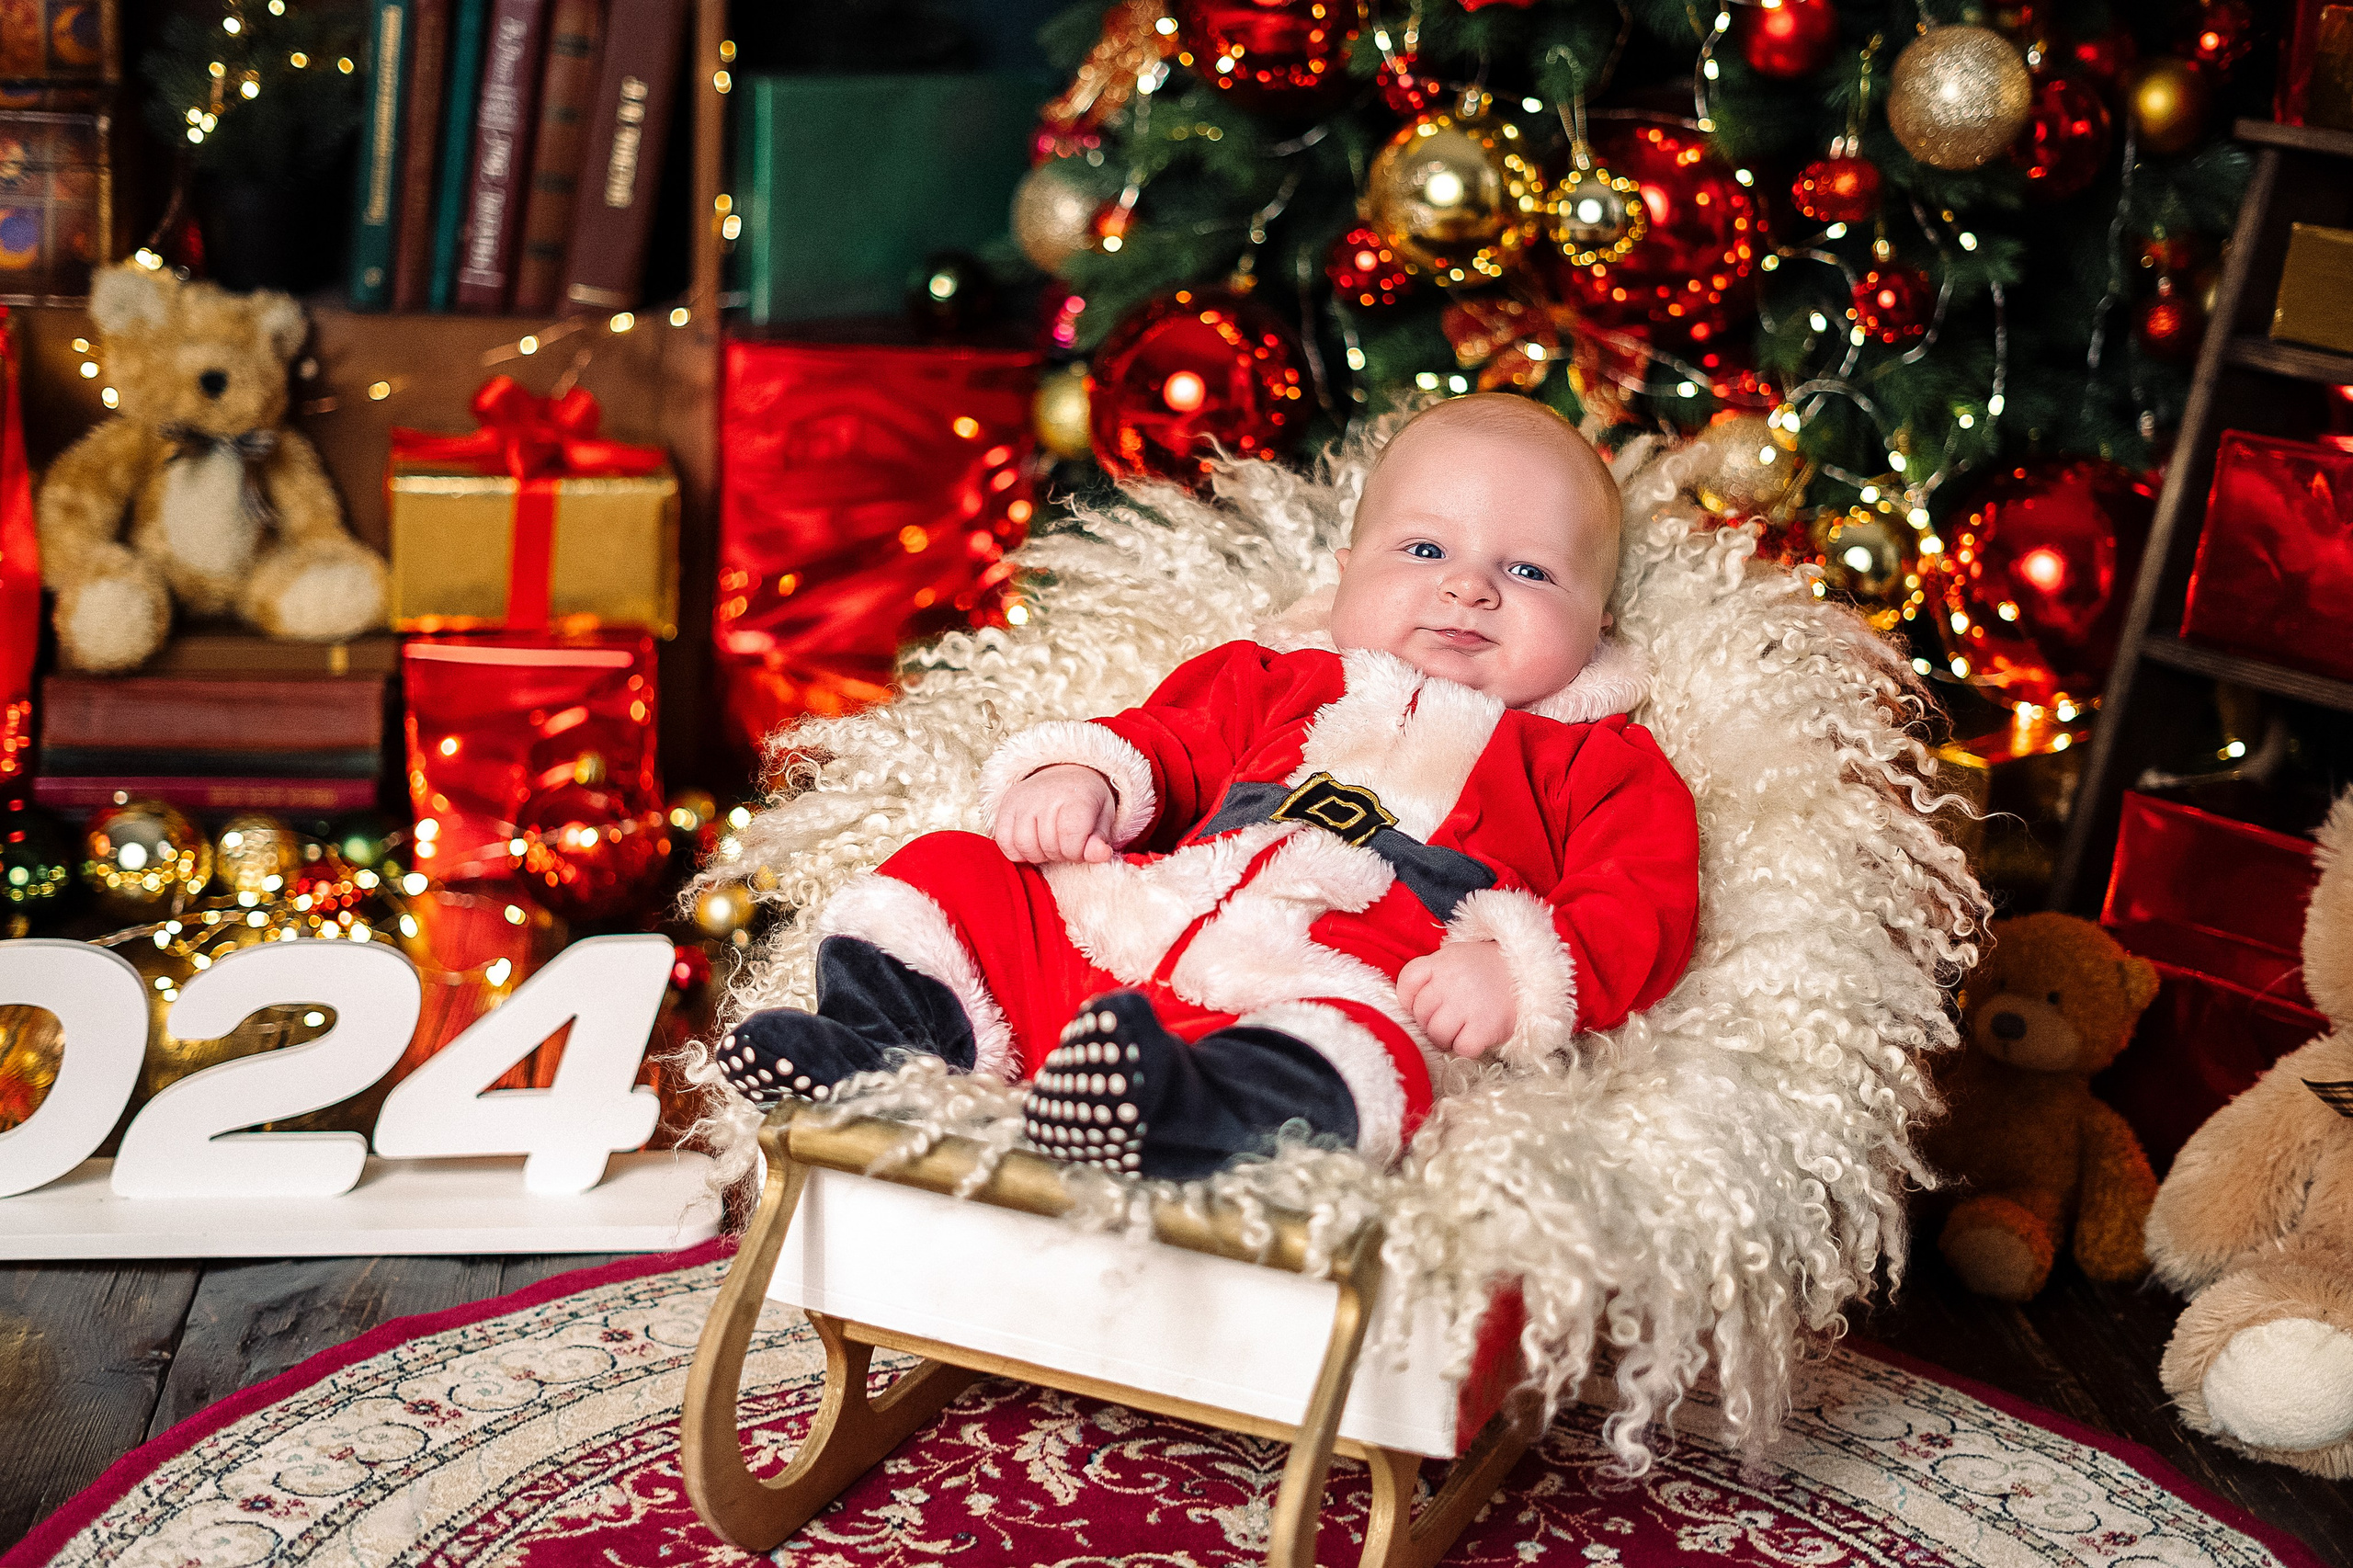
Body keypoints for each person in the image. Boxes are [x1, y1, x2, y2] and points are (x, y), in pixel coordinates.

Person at [716, 394, 1701, 1179]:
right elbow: (1169, 741)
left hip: (1326, 979)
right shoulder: (1272, 678)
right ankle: (880, 1050)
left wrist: (1522, 970)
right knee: (956, 871)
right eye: (1425, 549)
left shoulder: (1595, 763)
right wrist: (1083, 776)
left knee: (1371, 1057)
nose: (1468, 588)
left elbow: (1639, 901)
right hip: (1130, 930)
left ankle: (1179, 1111)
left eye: (1528, 570)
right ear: (1346, 571)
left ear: (1597, 620)